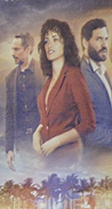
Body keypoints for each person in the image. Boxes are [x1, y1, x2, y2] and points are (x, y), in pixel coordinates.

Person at [33, 18, 96, 168]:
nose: (50, 45)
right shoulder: (49, 80)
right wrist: (36, 133)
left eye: (55, 39)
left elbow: (89, 123)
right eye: (46, 41)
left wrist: (57, 141)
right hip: (49, 157)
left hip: (68, 156)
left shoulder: (73, 75)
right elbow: (50, 116)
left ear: (65, 43)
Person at [5, 33, 42, 170]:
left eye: (16, 49)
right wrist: (9, 149)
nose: (13, 53)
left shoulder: (44, 73)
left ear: (28, 49)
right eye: (12, 49)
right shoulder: (10, 78)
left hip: (42, 141)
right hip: (22, 145)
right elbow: (9, 114)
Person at [81, 18, 112, 150]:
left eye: (106, 39)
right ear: (85, 42)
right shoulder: (80, 75)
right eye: (99, 39)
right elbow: (87, 131)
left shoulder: (101, 71)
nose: (104, 44)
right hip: (96, 158)